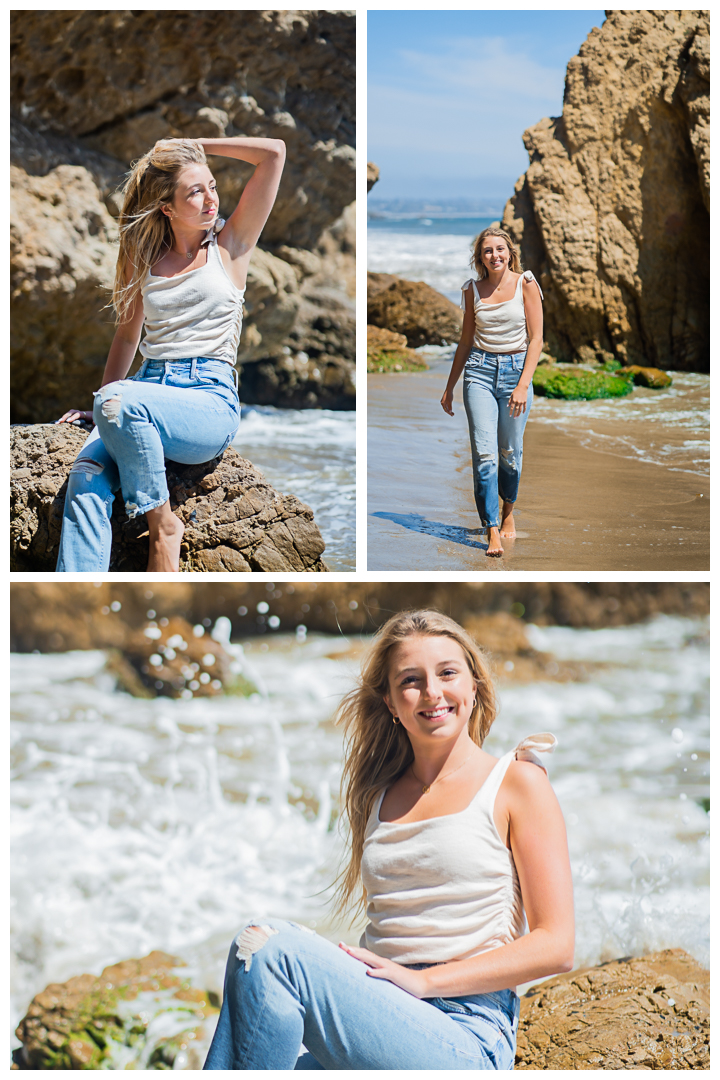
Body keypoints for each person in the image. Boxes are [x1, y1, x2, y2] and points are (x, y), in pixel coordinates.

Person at [204, 609, 574, 1070]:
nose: (433, 693)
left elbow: (556, 944)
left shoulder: (516, 782)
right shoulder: (377, 795)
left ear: (473, 686)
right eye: (411, 681)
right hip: (381, 1017)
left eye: (447, 673)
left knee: (267, 948)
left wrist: (426, 982)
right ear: (391, 704)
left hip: (465, 1033)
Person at [55, 135, 285, 572]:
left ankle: (163, 526)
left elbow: (274, 153)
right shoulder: (144, 259)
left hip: (208, 399)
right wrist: (106, 409)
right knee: (85, 477)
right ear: (167, 207)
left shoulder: (231, 244)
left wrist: (197, 143)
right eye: (195, 192)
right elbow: (126, 337)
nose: (210, 199)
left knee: (116, 402)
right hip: (143, 391)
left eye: (212, 187)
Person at [441, 227, 543, 557]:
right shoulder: (472, 290)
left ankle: (509, 512)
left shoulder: (525, 283)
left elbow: (536, 339)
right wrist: (449, 386)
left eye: (500, 249)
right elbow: (466, 341)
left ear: (510, 253)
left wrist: (523, 385)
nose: (494, 255)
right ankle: (492, 529)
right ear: (479, 257)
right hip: (479, 374)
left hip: (516, 374)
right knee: (484, 455)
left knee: (510, 452)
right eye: (487, 251)